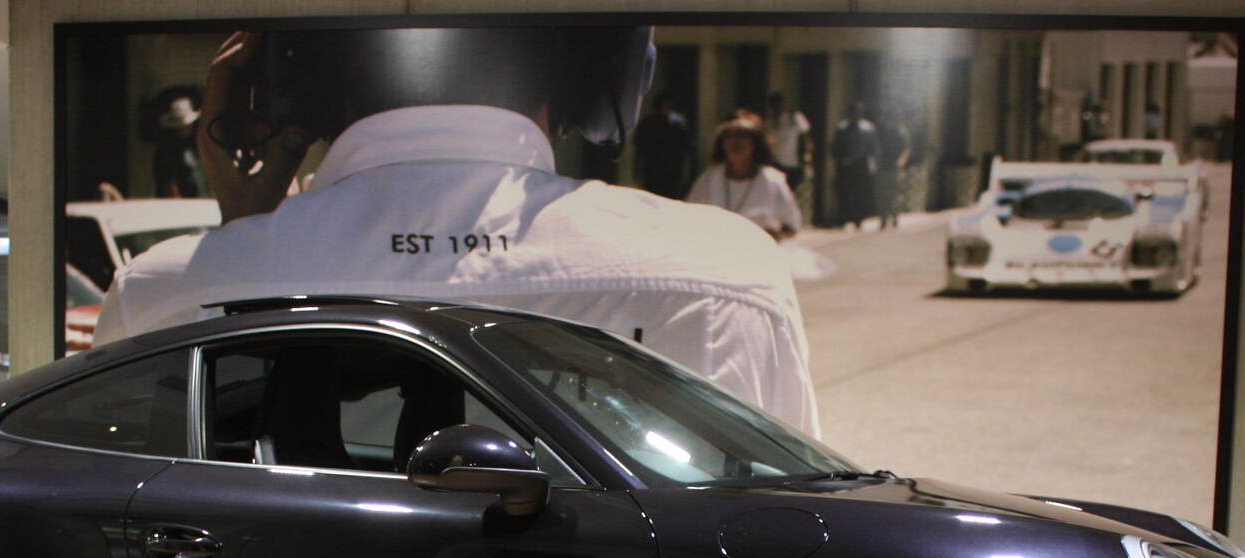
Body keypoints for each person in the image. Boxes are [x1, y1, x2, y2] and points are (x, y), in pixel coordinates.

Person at [98, 27, 818, 434]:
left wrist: (243, 247)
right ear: (608, 70)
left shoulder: (157, 295)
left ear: (279, 83)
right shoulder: (729, 273)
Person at [685, 113, 803, 241]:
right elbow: (688, 219)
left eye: (742, 135)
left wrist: (773, 235)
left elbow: (792, 226)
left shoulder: (773, 180)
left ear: (755, 143)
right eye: (729, 136)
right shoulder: (708, 179)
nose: (735, 142)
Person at [632, 94, 697, 199]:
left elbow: (687, 148)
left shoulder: (678, 123)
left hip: (673, 170)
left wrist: (689, 171)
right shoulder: (648, 123)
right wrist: (636, 171)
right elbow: (639, 149)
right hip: (653, 170)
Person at [829, 100, 878, 231]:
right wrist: (839, 159)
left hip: (861, 164)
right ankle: (843, 217)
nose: (856, 115)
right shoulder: (842, 128)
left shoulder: (868, 129)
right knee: (844, 192)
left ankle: (858, 218)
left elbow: (873, 148)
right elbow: (835, 147)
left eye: (858, 112)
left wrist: (872, 164)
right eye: (853, 112)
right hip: (846, 164)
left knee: (860, 192)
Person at [765, 92, 810, 198]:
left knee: (791, 194)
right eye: (773, 106)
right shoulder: (770, 121)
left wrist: (804, 159)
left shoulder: (795, 118)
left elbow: (804, 137)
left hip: (793, 164)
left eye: (778, 104)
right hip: (777, 164)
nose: (776, 108)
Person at [872, 114, 909, 229]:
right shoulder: (881, 134)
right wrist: (876, 162)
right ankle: (883, 218)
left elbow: (905, 149)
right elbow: (876, 149)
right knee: (882, 194)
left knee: (894, 194)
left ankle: (894, 217)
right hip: (883, 167)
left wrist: (901, 161)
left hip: (894, 167)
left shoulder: (899, 133)